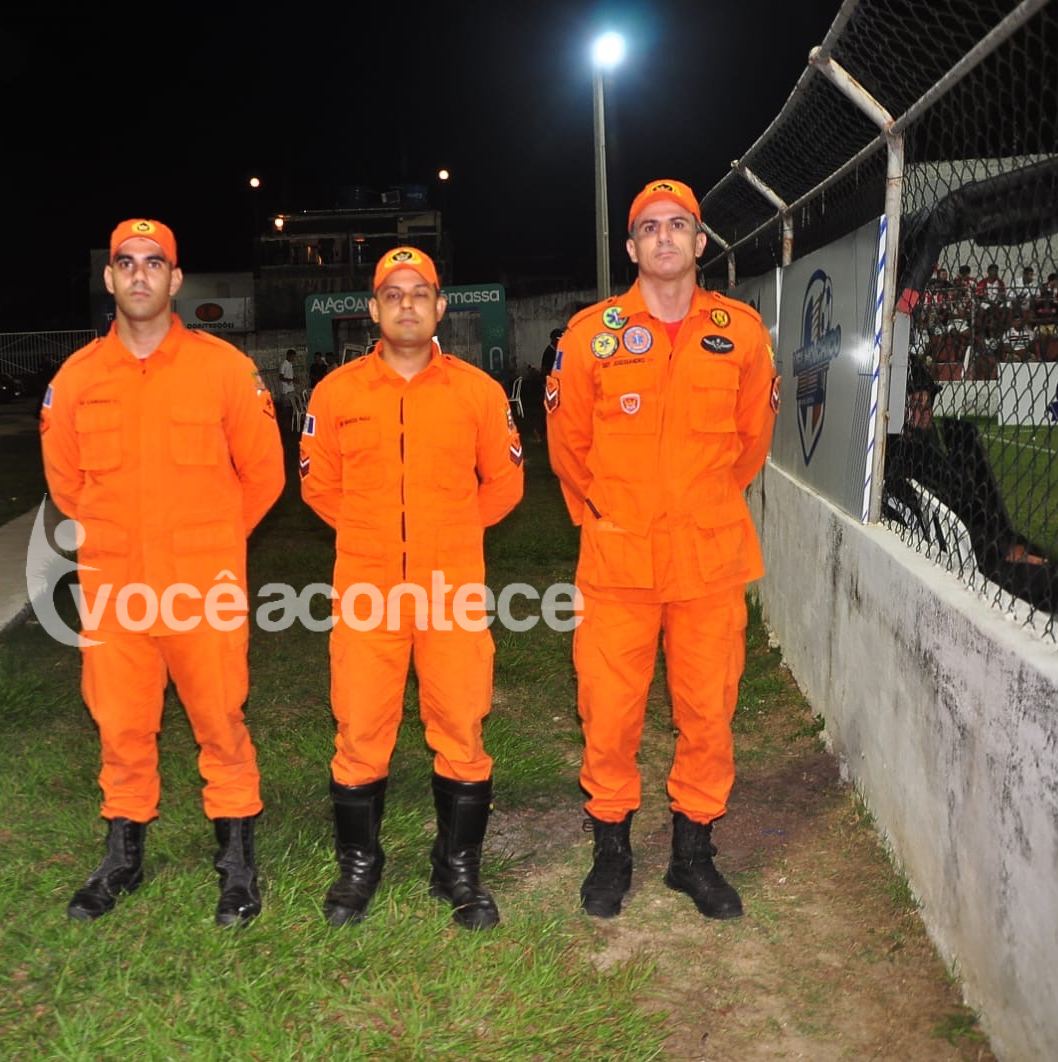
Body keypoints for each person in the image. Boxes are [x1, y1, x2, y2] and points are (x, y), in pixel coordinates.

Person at [42, 218, 285, 927]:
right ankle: (123, 857)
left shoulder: (223, 369)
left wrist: (211, 542)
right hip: (114, 588)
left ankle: (236, 865)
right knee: (119, 724)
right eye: (127, 262)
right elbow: (66, 484)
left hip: (202, 587)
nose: (140, 274)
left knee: (220, 720)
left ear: (176, 279)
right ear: (109, 278)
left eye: (155, 262)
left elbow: (264, 474)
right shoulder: (77, 378)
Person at [545, 179, 777, 921]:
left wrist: (701, 506)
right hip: (618, 561)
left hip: (708, 561)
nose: (665, 237)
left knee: (708, 711)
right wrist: (610, 513)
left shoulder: (741, 333)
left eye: (679, 224)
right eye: (650, 227)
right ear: (631, 247)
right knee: (609, 713)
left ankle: (692, 854)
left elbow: (751, 442)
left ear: (700, 242)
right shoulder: (592, 335)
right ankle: (611, 848)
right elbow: (568, 447)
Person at [300, 245, 524, 930]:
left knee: (461, 725)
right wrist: (374, 538)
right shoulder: (336, 393)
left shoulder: (478, 393)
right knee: (360, 727)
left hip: (451, 589)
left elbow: (505, 483)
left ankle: (456, 868)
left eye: (419, 292)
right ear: (373, 309)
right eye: (392, 294)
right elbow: (319, 485)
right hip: (366, 591)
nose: (406, 304)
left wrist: (448, 535)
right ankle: (358, 866)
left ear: (440, 306)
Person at [883, 358, 1058, 648]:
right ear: (899, 407)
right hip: (978, 560)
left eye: (928, 405)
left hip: (975, 548)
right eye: (917, 405)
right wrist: (1005, 549)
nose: (926, 413)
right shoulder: (910, 458)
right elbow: (952, 516)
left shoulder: (909, 449)